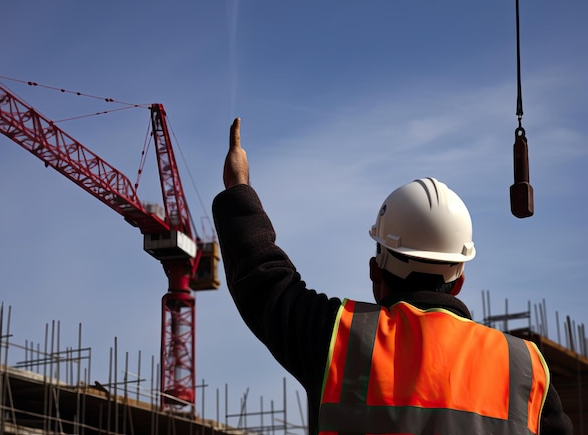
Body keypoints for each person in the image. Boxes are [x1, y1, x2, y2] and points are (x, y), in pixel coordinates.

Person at [212, 118, 572, 434]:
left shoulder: (341, 342)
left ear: (376, 272)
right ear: (459, 280)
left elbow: (264, 281)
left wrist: (238, 187)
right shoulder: (525, 369)